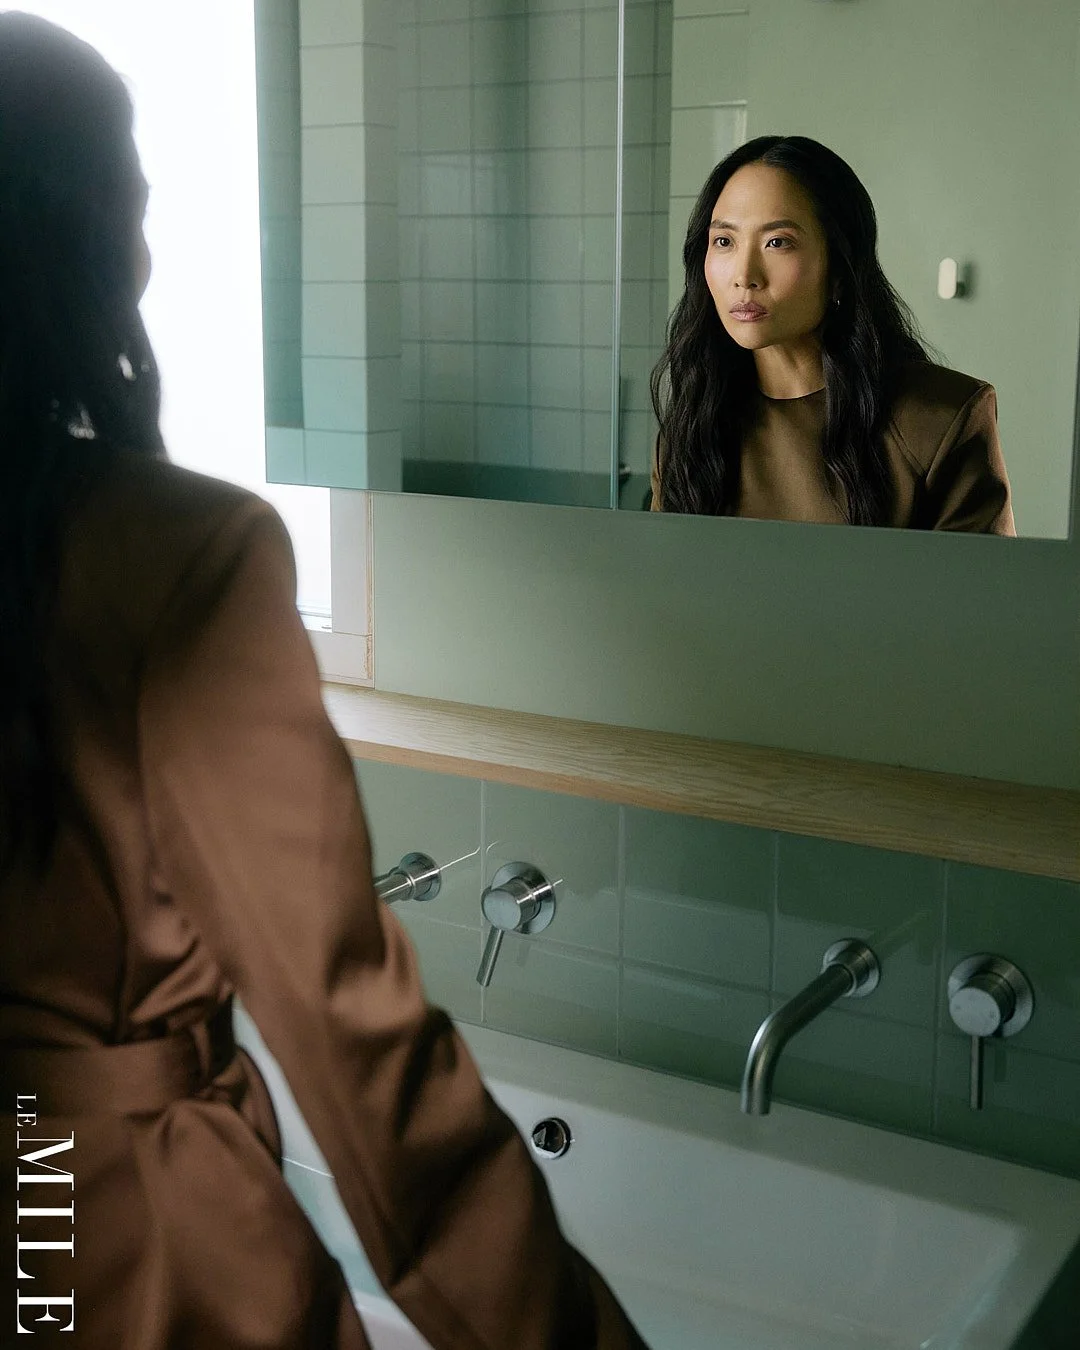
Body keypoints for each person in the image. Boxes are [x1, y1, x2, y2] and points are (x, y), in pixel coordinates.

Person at [0, 14, 648, 1348]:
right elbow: (367, 1065)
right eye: (135, 201)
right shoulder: (177, 561)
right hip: (129, 1250)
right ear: (83, 239)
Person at [650, 134, 1016, 533]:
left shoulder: (942, 419)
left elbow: (981, 593)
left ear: (840, 269)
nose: (743, 276)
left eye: (778, 242)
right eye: (724, 241)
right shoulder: (695, 423)